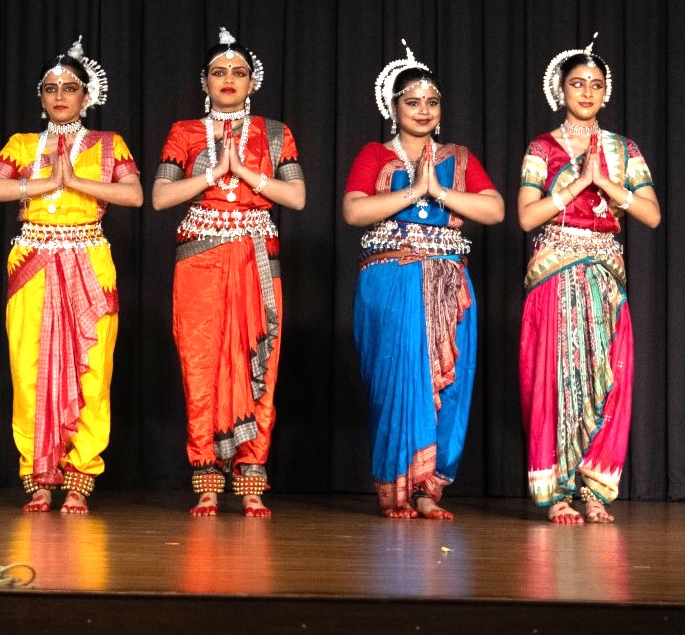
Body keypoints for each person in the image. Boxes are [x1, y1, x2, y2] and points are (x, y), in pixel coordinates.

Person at [342, 40, 504, 520]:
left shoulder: (458, 157)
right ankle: (396, 489)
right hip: (392, 283)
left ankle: (429, 490)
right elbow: (354, 210)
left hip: (450, 288)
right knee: (400, 380)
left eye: (432, 102)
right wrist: (414, 190)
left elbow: (493, 209)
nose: (423, 110)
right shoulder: (375, 154)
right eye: (412, 102)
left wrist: (439, 191)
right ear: (393, 107)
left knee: (450, 386)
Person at [0, 36, 142, 514]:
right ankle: (38, 474)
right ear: (41, 97)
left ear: (87, 96)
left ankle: (79, 475)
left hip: (89, 262)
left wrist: (73, 182)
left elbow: (133, 195)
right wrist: (47, 182)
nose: (59, 95)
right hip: (32, 262)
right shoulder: (22, 144)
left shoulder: (109, 144)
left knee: (92, 371)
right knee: (27, 369)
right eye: (50, 87)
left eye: (69, 87)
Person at [151, 28, 306, 517]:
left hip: (257, 260)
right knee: (200, 367)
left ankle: (252, 478)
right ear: (204, 81)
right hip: (199, 259)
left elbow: (297, 198)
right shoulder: (185, 132)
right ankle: (206, 478)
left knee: (260, 362)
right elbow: (160, 197)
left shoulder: (275, 133)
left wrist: (247, 173)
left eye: (238, 73)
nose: (228, 80)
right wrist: (214, 175)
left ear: (252, 82)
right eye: (219, 72)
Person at [517, 34, 659, 524]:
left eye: (595, 85)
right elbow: (525, 216)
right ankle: (555, 491)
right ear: (560, 90)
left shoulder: (625, 149)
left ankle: (594, 489)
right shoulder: (542, 147)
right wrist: (579, 182)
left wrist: (608, 183)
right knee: (557, 377)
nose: (586, 93)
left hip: (605, 278)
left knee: (610, 378)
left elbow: (652, 215)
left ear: (606, 93)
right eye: (577, 84)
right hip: (556, 271)